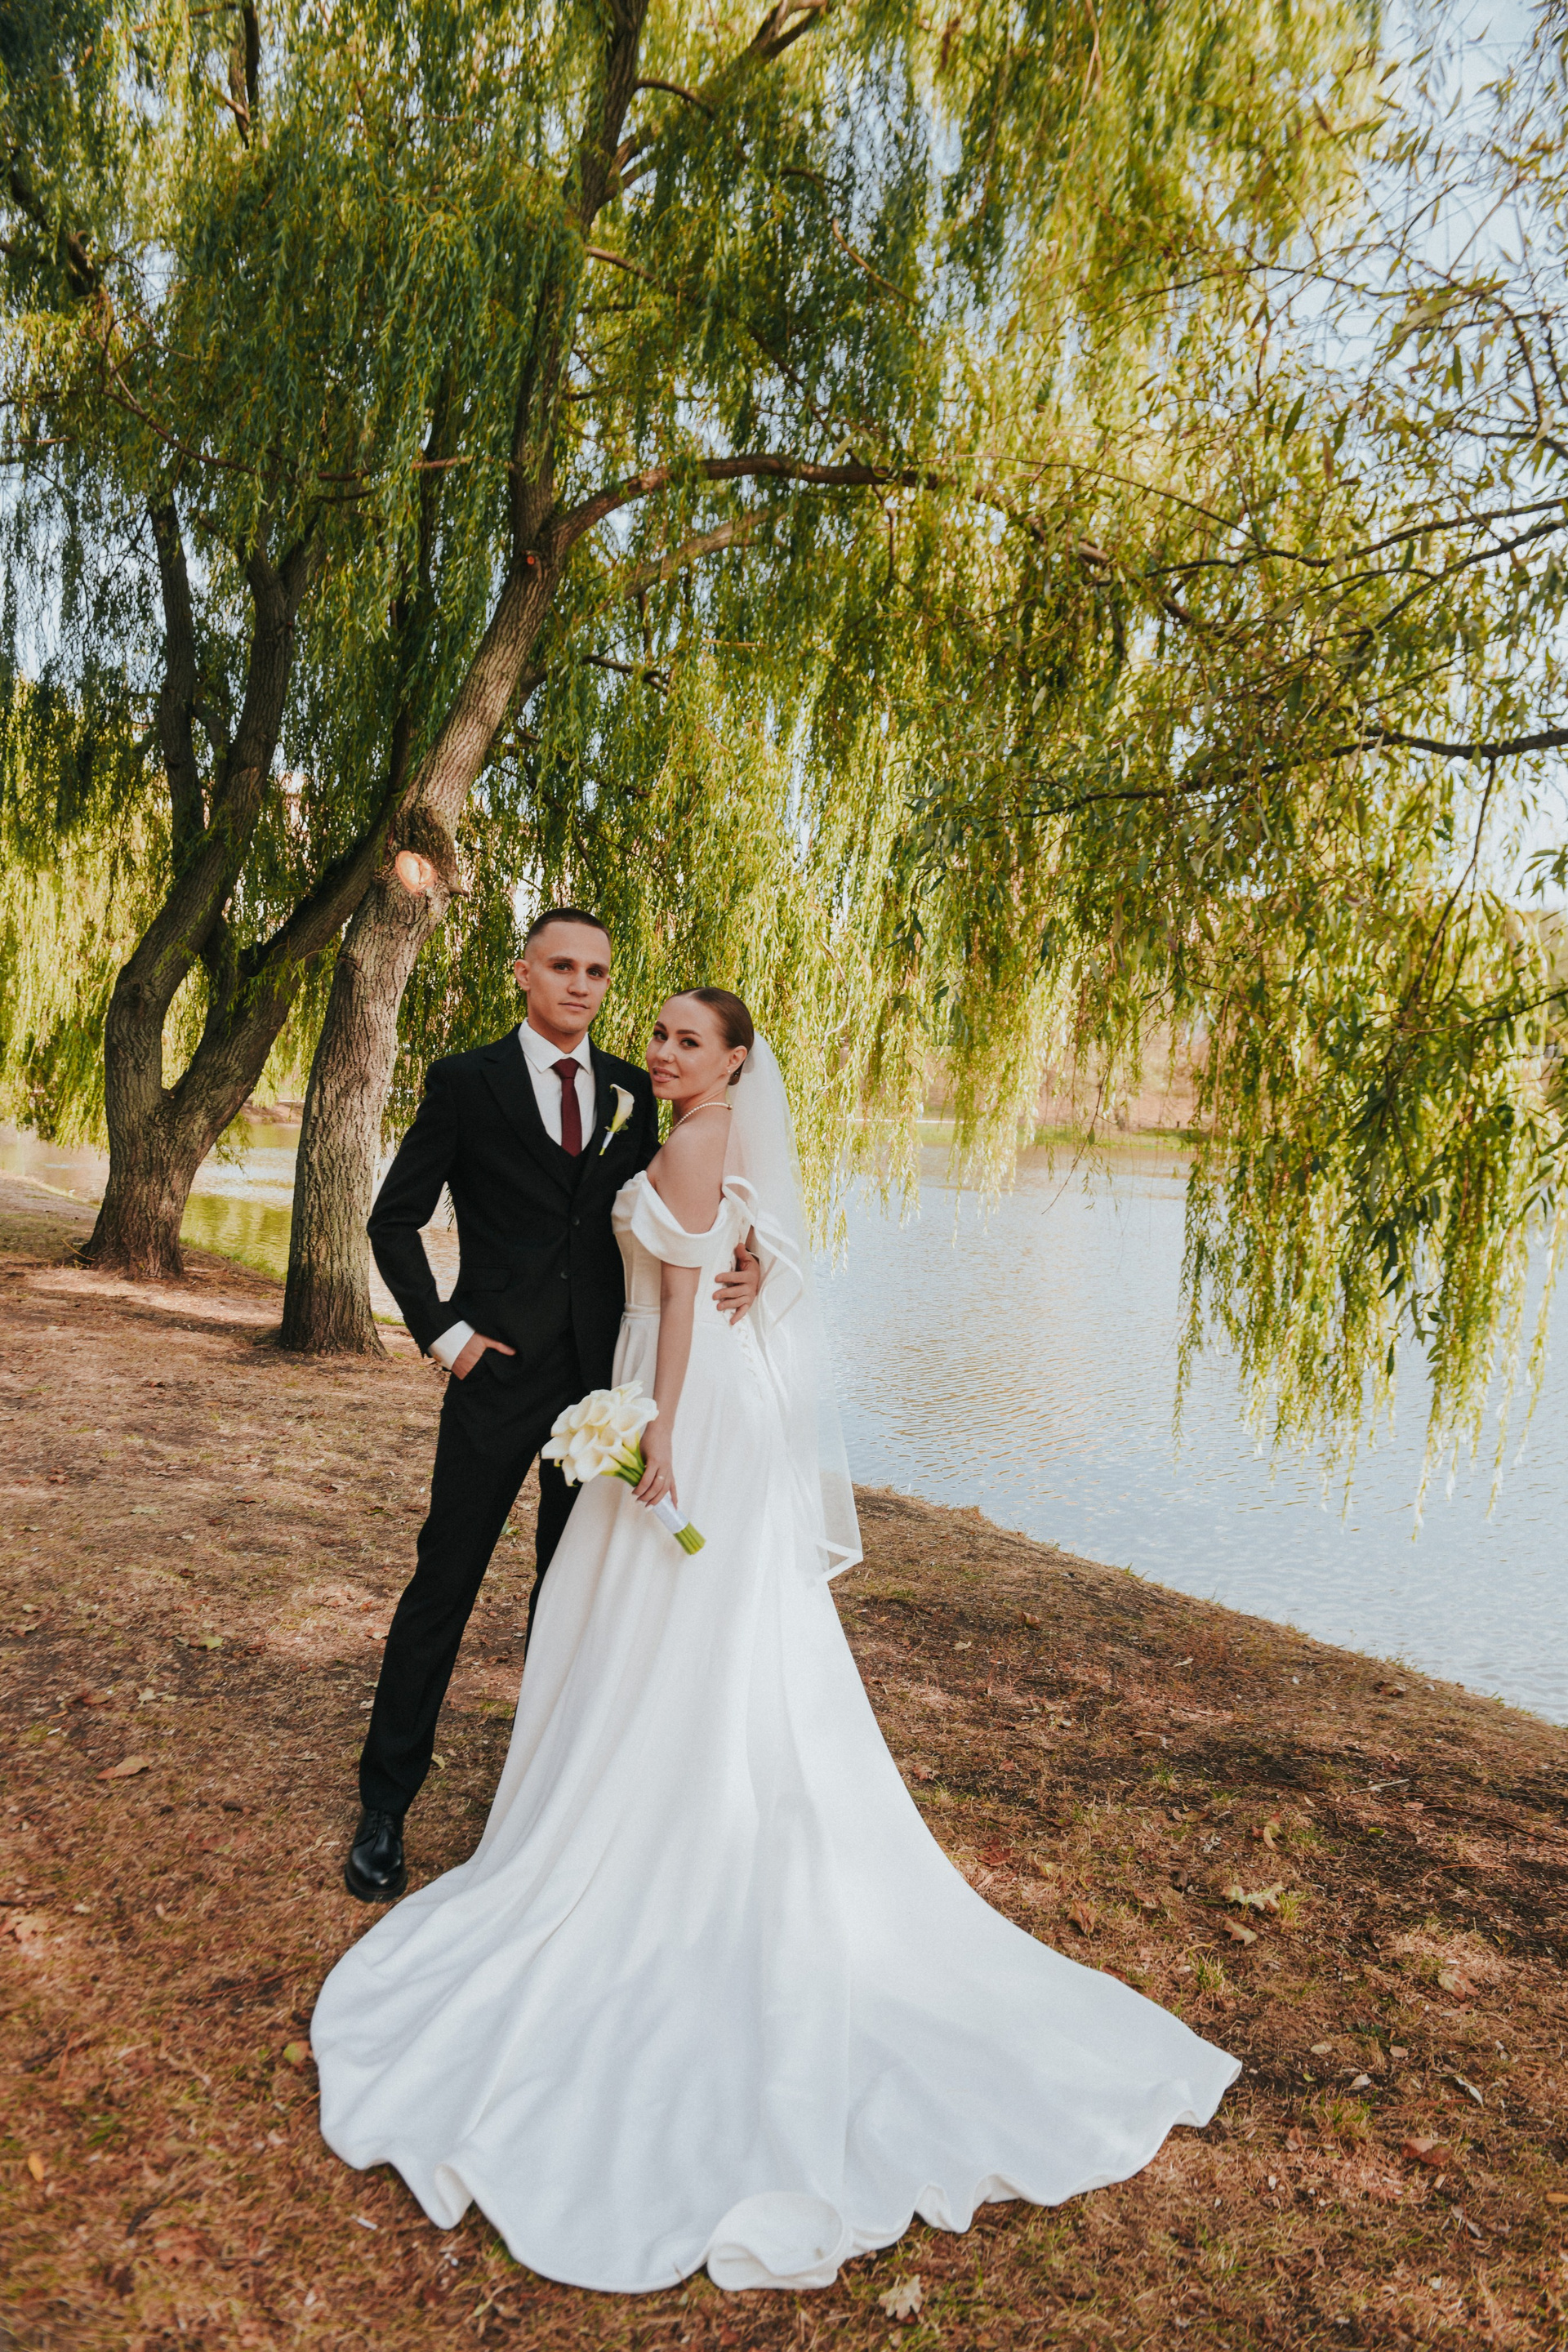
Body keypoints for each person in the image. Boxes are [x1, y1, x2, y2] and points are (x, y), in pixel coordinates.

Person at [313, 988, 1239, 2294]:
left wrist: (659, 1426)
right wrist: (725, 1290)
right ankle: (498, 1800)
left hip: (678, 1397)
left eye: (687, 1040)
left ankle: (659, 1828)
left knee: (662, 1620)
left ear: (736, 1059)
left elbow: (695, 1293)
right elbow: (738, 1247)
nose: (659, 1049)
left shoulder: (694, 1130)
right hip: (623, 1381)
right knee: (620, 1614)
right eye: (657, 1034)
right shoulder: (663, 1116)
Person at [349, 912, 760, 1904]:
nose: (582, 985)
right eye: (564, 967)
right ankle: (384, 1807)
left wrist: (754, 1263)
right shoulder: (464, 1082)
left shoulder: (635, 1090)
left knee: (571, 1595)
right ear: (524, 973)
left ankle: (542, 1800)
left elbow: (688, 1215)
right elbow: (392, 1221)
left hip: (605, 1387)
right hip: (496, 1378)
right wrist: (447, 1335)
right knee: (443, 1584)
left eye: (599, 972)